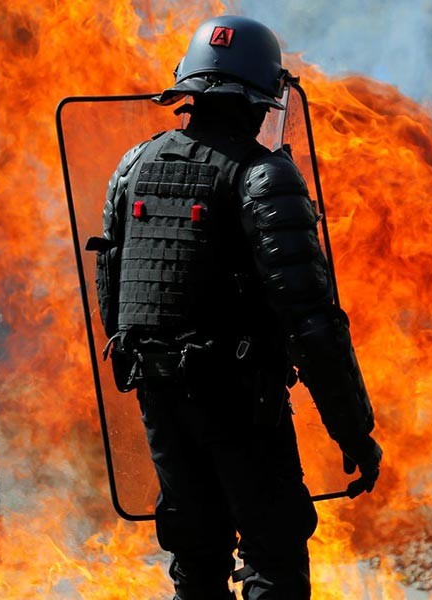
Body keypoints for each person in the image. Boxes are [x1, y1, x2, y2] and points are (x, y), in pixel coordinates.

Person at [92, 15, 382, 600]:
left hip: (160, 401)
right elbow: (312, 322)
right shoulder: (263, 175)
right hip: (241, 405)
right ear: (259, 98)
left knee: (196, 564)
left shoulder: (132, 168)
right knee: (272, 561)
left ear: (191, 91)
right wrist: (354, 432)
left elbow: (114, 300)